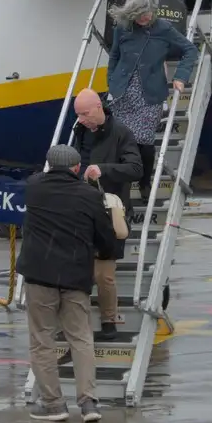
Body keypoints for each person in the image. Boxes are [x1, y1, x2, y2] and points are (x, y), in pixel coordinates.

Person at [18, 143, 120, 423]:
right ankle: (89, 404)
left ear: (50, 166)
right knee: (81, 340)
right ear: (77, 168)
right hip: (75, 277)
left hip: (40, 276)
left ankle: (54, 405)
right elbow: (106, 238)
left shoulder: (34, 188)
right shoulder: (89, 195)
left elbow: (39, 176)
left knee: (42, 341)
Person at [104, 0, 198, 208]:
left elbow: (190, 50)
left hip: (150, 94)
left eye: (147, 15)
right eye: (140, 16)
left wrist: (181, 77)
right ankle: (123, 198)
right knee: (121, 145)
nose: (145, 19)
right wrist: (111, 82)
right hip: (123, 93)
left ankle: (144, 181)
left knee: (144, 142)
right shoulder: (123, 28)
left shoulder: (163, 28)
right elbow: (114, 57)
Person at [70, 88, 141, 339]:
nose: (81, 119)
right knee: (78, 271)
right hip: (82, 209)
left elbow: (135, 168)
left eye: (85, 113)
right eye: (77, 114)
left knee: (103, 274)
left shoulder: (121, 133)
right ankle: (77, 324)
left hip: (109, 211)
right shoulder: (79, 131)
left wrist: (104, 170)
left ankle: (109, 322)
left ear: (99, 108)